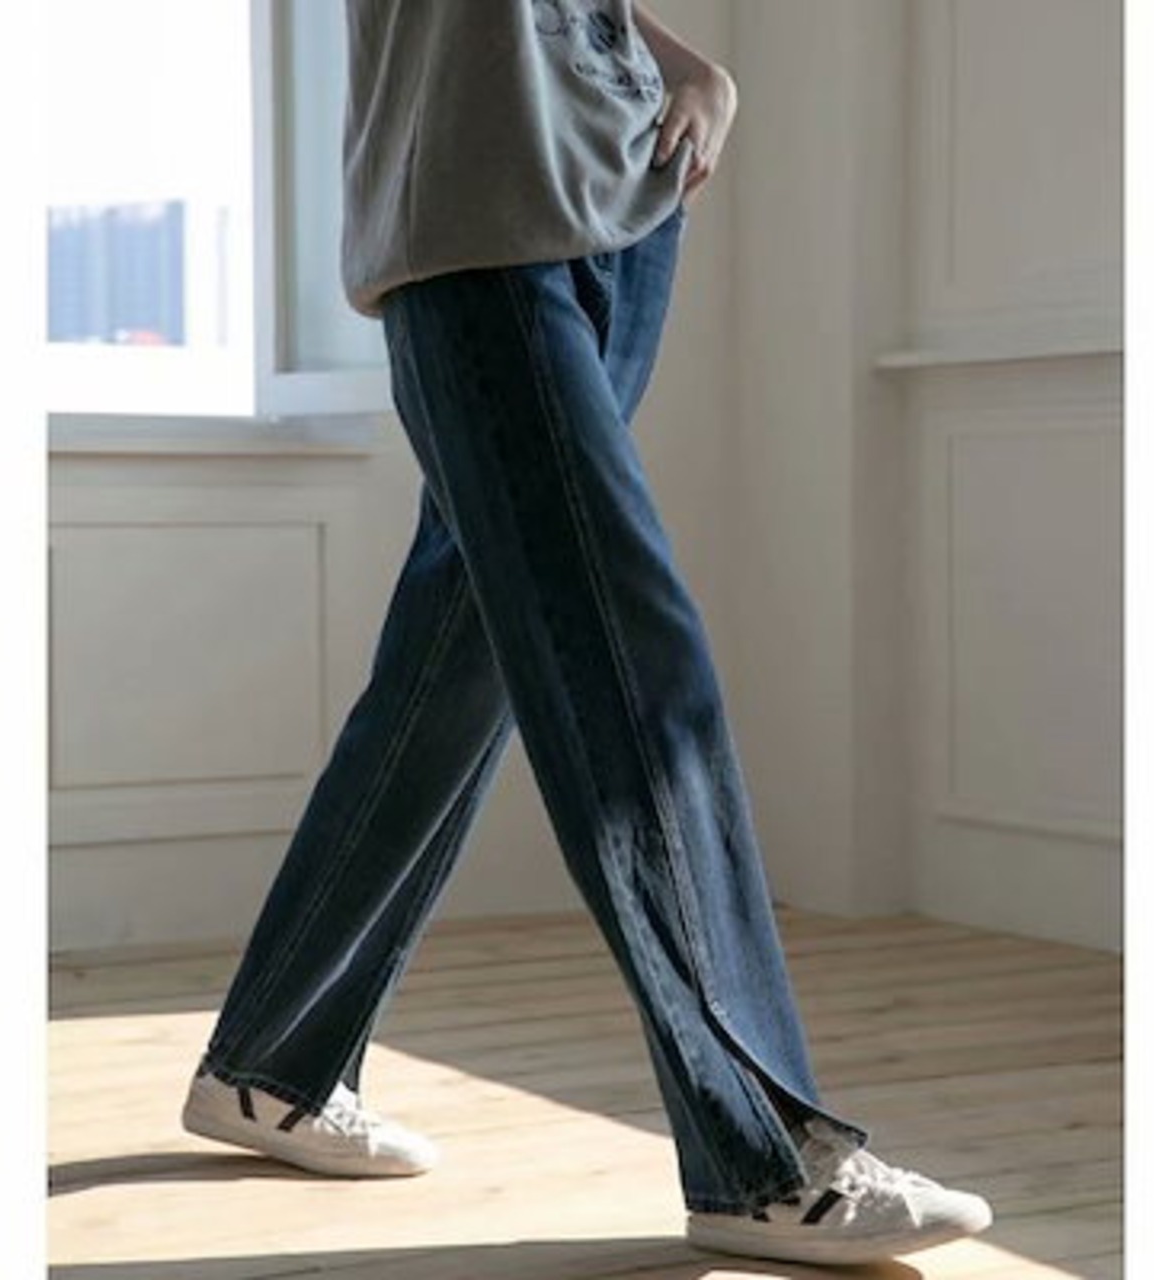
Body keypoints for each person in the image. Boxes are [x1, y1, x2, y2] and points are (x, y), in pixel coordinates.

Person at [181, 1, 993, 1266]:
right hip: (474, 219)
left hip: (626, 204)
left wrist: (692, 67)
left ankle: (270, 1061)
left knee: (460, 662)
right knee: (628, 656)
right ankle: (760, 1155)